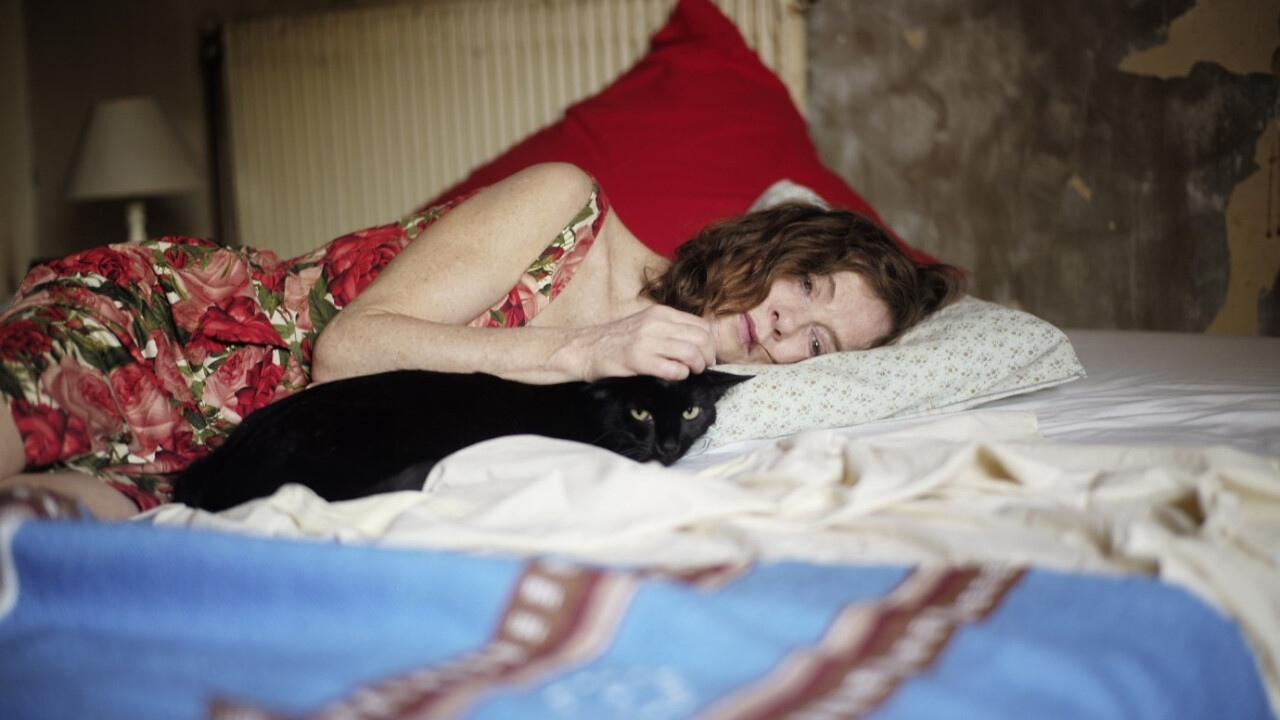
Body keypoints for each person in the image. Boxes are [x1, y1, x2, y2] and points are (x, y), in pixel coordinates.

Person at [0, 163, 964, 519]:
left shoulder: (654, 409)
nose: (790, 323)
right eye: (807, 285)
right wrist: (581, 351)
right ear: (774, 245)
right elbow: (346, 353)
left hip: (215, 459)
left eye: (820, 345)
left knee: (44, 536)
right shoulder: (569, 207)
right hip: (171, 328)